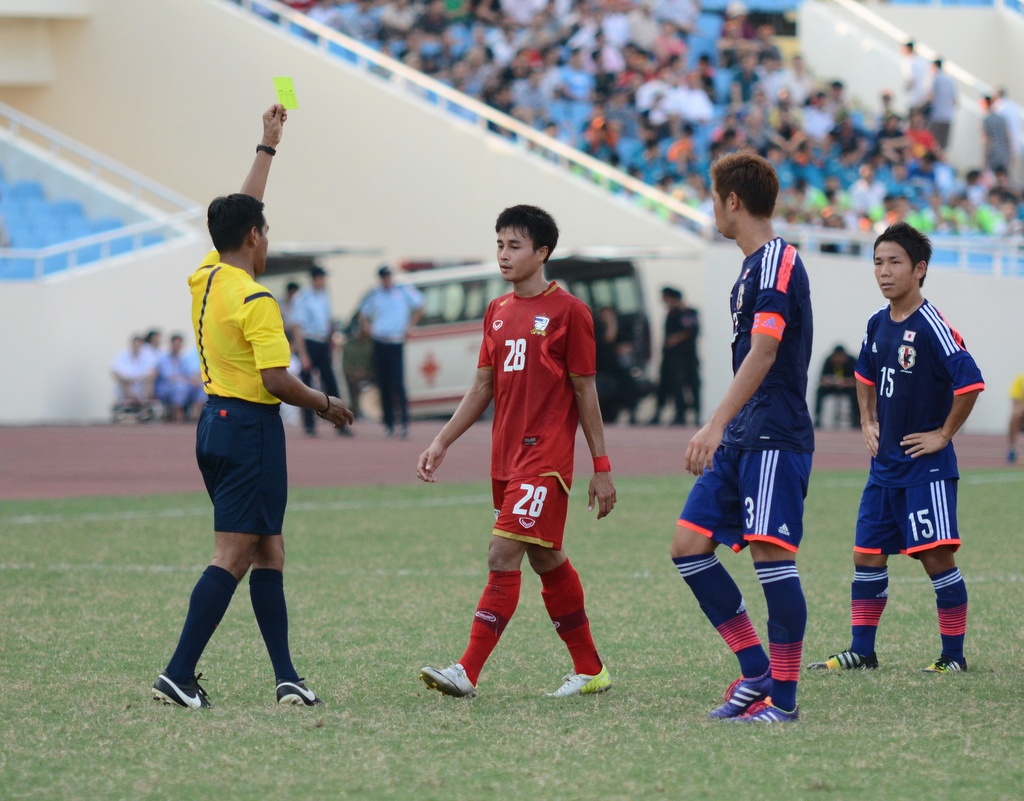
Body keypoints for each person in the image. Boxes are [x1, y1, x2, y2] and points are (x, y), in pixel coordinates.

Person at [152, 104, 354, 710]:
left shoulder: (208, 276)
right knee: (235, 552)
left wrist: (267, 148)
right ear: (254, 239)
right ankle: (178, 673)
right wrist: (327, 405)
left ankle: (287, 676)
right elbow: (276, 378)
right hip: (250, 428)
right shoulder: (259, 298)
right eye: (264, 231)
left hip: (214, 424)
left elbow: (238, 217)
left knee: (269, 548)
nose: (268, 238)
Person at [416, 204, 617, 699]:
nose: (504, 255)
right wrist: (442, 441)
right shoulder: (498, 311)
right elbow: (482, 386)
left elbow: (586, 390)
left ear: (542, 252)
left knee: (502, 552)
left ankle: (466, 670)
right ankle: (591, 669)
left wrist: (602, 467)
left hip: (544, 460)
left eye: (515, 246)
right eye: (500, 244)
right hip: (505, 459)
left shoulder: (571, 312)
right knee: (546, 559)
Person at [669, 152, 813, 723]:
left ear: (733, 201)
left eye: (713, 197)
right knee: (688, 546)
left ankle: (786, 697)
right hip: (745, 433)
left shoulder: (777, 260)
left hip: (774, 434)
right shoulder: (751, 267)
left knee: (770, 558)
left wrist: (716, 422)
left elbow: (767, 348)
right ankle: (755, 672)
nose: (712, 209)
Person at [809, 222, 984, 675]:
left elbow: (970, 382)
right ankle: (862, 651)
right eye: (878, 262)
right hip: (883, 468)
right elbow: (864, 374)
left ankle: (953, 656)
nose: (884, 272)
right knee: (866, 554)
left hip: (926, 469)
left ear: (919, 269)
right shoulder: (877, 322)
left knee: (935, 557)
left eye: (894, 263)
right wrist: (868, 420)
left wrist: (943, 435)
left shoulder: (933, 326)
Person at [359, 264, 424, 438]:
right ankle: (388, 423)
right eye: (383, 276)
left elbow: (420, 304)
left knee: (398, 383)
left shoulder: (402, 292)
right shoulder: (374, 295)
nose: (386, 279)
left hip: (396, 341)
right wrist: (368, 328)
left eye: (388, 276)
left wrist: (410, 325)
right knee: (384, 384)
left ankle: (403, 422)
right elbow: (363, 314)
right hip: (380, 341)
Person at [292, 265, 345, 437]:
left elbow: (329, 323)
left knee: (331, 383)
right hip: (309, 342)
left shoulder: (324, 296)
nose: (324, 281)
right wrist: (304, 355)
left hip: (322, 343)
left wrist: (330, 344)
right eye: (321, 278)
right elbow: (298, 328)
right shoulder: (303, 297)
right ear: (315, 279)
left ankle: (340, 422)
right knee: (306, 386)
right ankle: (309, 424)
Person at [648, 286, 700, 426]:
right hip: (670, 357)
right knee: (665, 385)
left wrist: (675, 339)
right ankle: (663, 413)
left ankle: (691, 414)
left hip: (685, 357)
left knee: (691, 385)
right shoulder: (671, 313)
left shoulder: (687, 312)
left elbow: (692, 331)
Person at [155, 333, 206, 422]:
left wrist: (194, 380)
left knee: (201, 386)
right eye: (175, 345)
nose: (177, 347)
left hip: (184, 385)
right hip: (166, 387)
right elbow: (170, 377)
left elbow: (189, 373)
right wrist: (186, 380)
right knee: (180, 387)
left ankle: (196, 412)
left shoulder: (183, 359)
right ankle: (178, 412)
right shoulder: (164, 359)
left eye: (179, 345)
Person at [814, 344, 859, 430]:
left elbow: (858, 380)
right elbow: (822, 378)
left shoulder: (852, 361)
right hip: (832, 387)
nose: (838, 360)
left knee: (856, 394)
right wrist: (828, 381)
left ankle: (856, 418)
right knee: (820, 391)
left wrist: (845, 382)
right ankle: (818, 417)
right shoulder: (828, 360)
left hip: (847, 387)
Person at [111, 334, 158, 417]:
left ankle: (144, 405)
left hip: (142, 387)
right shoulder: (122, 355)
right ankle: (132, 400)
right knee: (122, 381)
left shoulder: (147, 356)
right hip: (127, 388)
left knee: (150, 382)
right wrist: (129, 380)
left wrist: (140, 379)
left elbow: (153, 372)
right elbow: (115, 372)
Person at [1007, 373, 1023, 463]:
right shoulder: (1021, 380)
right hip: (1022, 415)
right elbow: (1015, 402)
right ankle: (1012, 449)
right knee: (1014, 415)